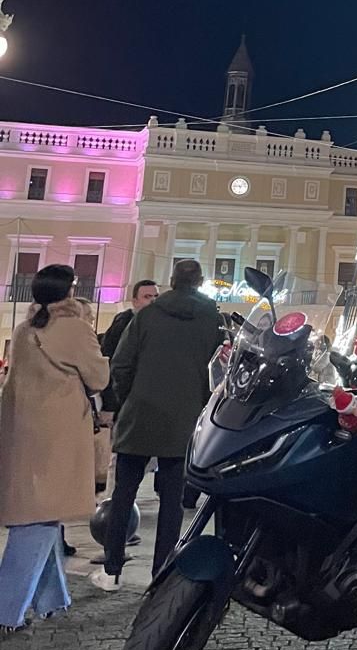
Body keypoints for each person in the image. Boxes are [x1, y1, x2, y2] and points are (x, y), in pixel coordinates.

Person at [91, 258, 222, 591]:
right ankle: (161, 572)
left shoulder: (147, 315)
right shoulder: (212, 319)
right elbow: (219, 372)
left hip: (140, 414)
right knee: (173, 500)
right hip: (185, 419)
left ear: (171, 281)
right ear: (201, 281)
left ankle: (112, 569)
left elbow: (120, 365)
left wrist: (129, 397)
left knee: (123, 494)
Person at [0, 265, 109, 631]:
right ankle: (5, 609)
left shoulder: (25, 328)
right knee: (39, 520)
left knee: (42, 512)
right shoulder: (74, 329)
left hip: (23, 431)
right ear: (70, 290)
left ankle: (52, 600)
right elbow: (99, 378)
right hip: (58, 434)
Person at [94, 279, 159, 495]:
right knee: (120, 454)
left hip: (143, 401)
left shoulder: (156, 325)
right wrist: (111, 403)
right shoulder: (124, 323)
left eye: (155, 296)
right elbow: (111, 364)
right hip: (124, 401)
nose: (152, 301)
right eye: (147, 297)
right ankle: (112, 501)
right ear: (135, 300)